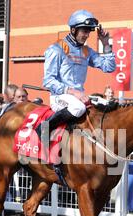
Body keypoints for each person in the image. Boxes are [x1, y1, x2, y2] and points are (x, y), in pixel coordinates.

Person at [36, 9, 115, 138]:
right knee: (78, 108)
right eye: (84, 31)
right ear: (73, 30)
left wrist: (105, 43)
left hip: (78, 98)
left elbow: (109, 67)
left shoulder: (86, 51)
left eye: (89, 31)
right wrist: (73, 92)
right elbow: (48, 81)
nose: (87, 35)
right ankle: (43, 128)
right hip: (59, 98)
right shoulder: (57, 48)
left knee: (105, 108)